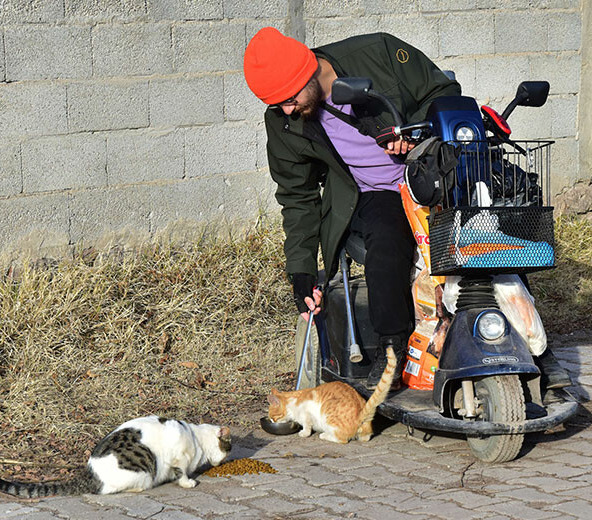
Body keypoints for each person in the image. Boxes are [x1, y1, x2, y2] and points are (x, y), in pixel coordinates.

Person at [242, 27, 571, 391]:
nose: (288, 110)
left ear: (305, 72)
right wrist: (301, 271)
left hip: (435, 171)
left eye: (289, 98)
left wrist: (414, 134)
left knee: (490, 243)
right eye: (278, 105)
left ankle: (537, 350)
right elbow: (297, 195)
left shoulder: (378, 52)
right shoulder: (284, 121)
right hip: (378, 190)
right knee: (385, 247)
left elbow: (443, 92)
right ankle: (393, 348)